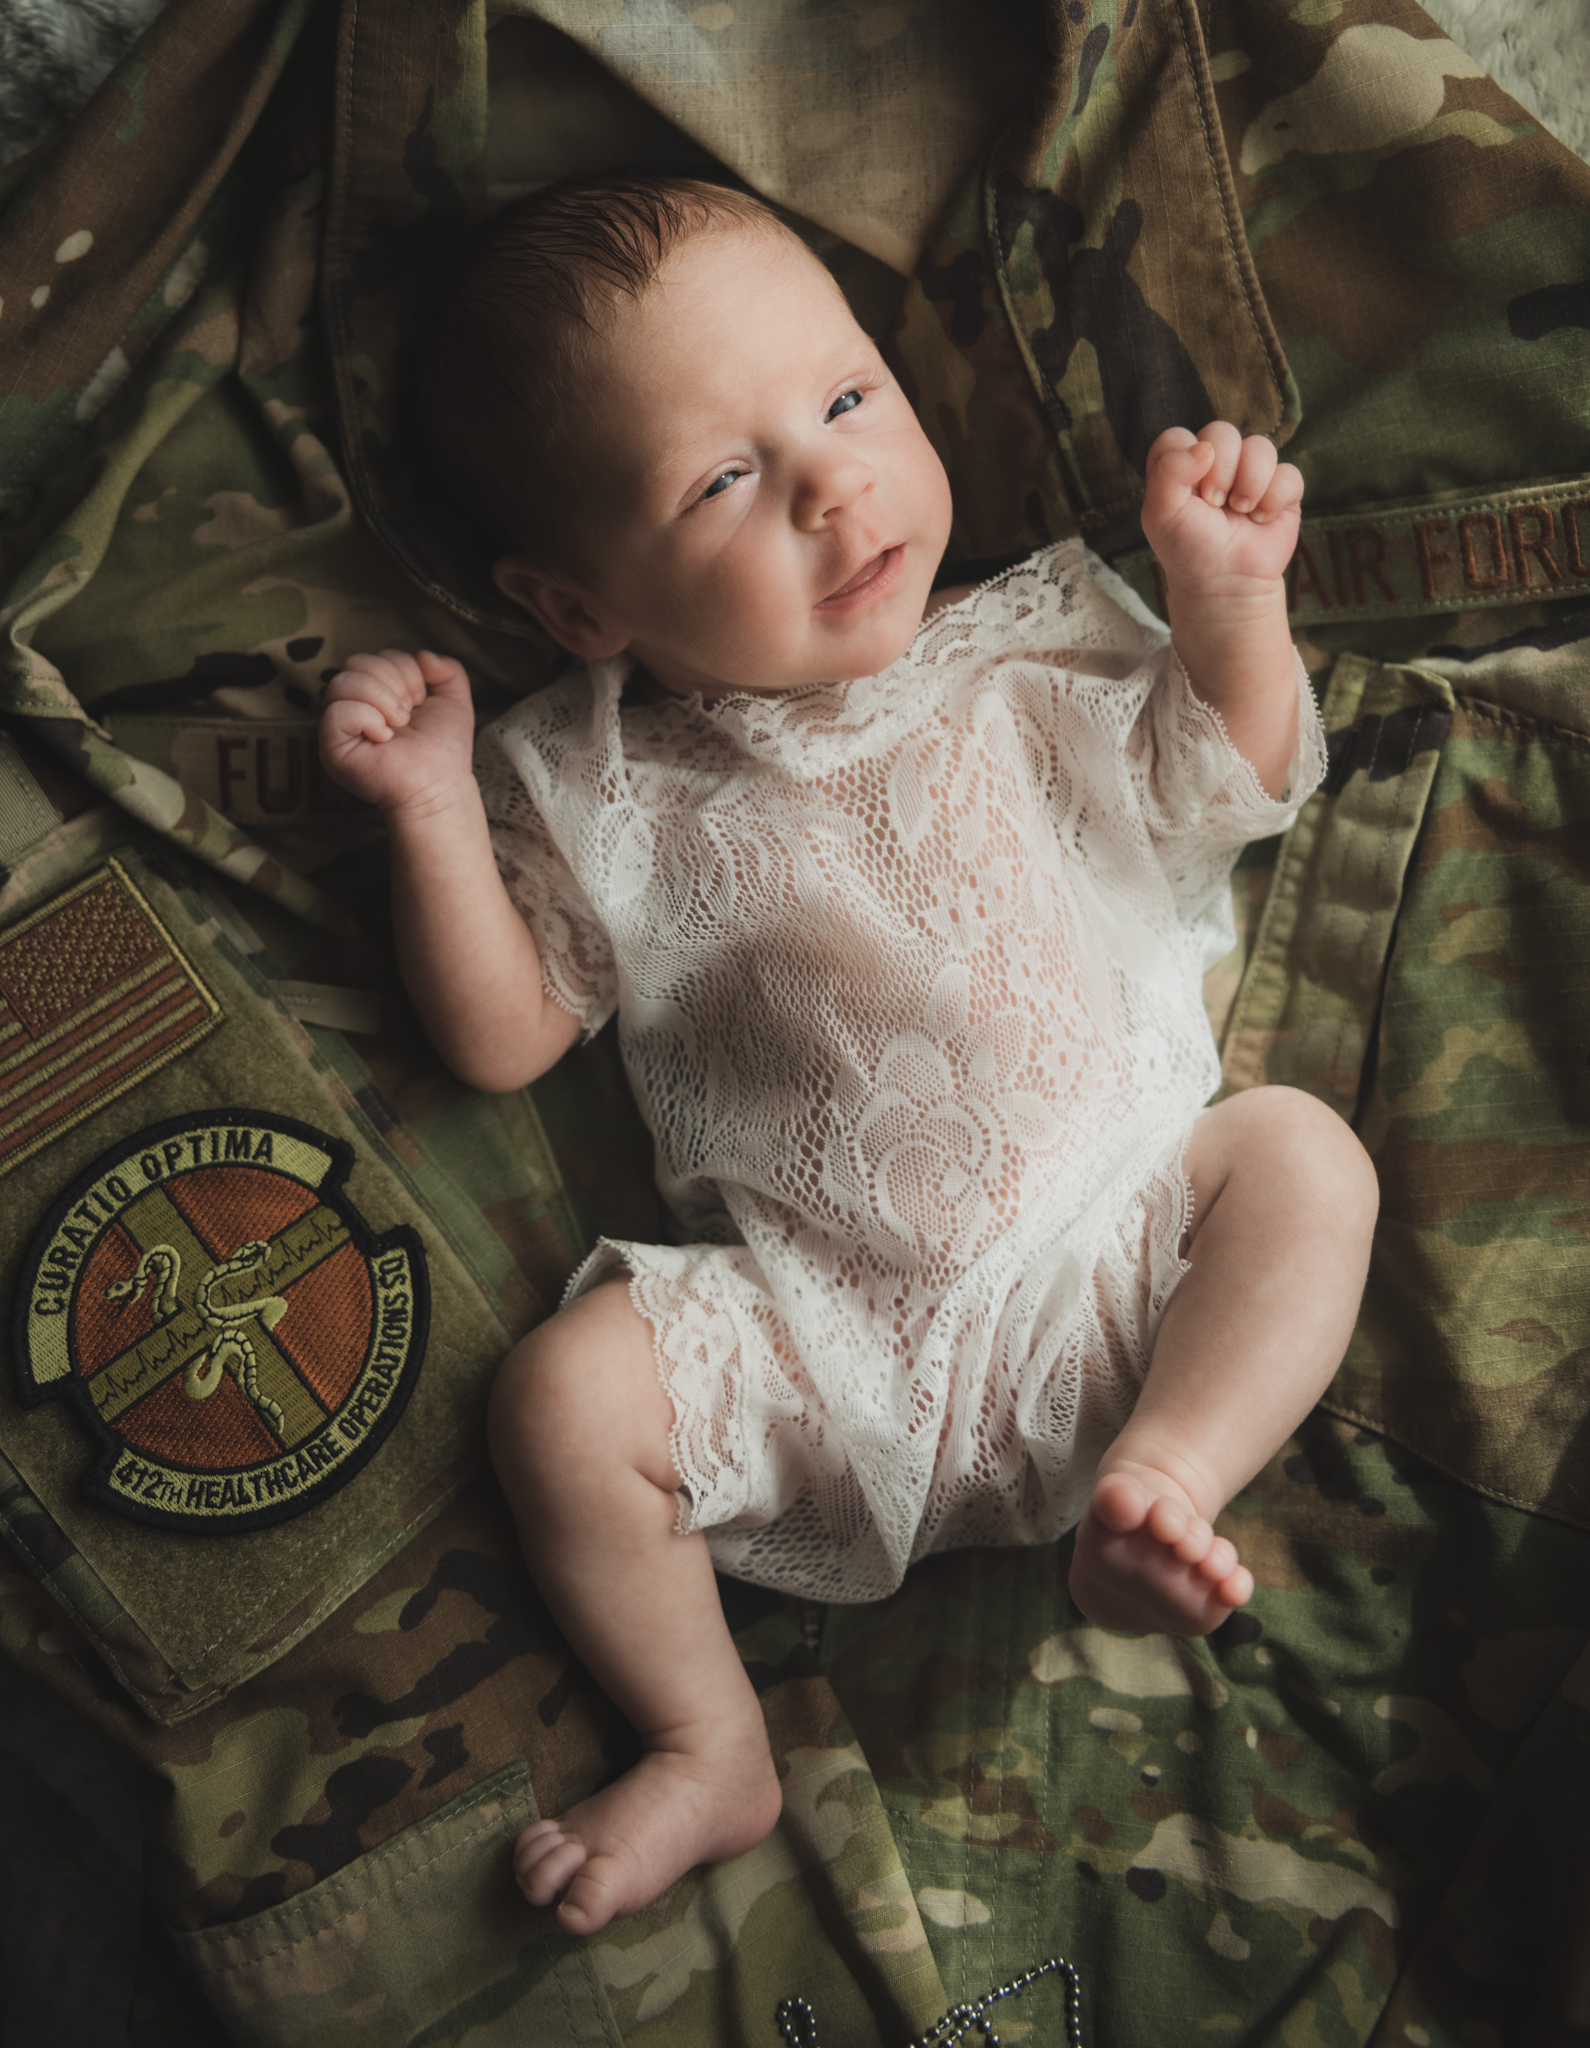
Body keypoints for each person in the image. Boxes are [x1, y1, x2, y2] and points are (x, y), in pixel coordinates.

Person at [318, 173, 1378, 1940]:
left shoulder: (1020, 654)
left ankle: (1165, 1478)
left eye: (845, 398)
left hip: (1124, 1245)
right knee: (563, 1403)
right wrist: (433, 813)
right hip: (831, 1341)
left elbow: (1235, 780)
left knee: (1298, 1160)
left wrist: (1226, 600)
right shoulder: (610, 797)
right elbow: (506, 1036)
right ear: (578, 607)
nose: (830, 484)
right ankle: (703, 1739)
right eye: (723, 480)